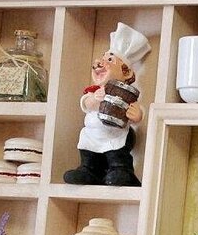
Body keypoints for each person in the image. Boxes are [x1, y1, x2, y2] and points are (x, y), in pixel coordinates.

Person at [64, 22, 152, 185]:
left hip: (115, 135)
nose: (101, 63)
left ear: (126, 72)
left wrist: (137, 114)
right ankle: (88, 170)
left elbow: (137, 112)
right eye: (103, 58)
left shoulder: (127, 94)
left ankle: (121, 171)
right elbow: (86, 104)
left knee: (118, 154)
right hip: (92, 135)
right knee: (88, 152)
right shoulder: (93, 91)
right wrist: (95, 99)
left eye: (109, 60)